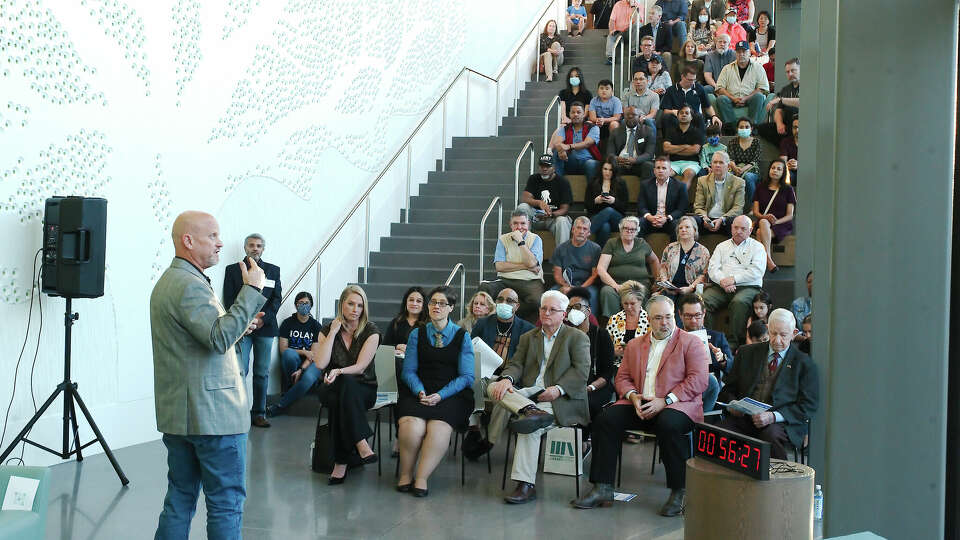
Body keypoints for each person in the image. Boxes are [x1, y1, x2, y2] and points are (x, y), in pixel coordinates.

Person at [151, 211, 266, 538]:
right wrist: (252, 291)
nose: (220, 243)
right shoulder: (189, 286)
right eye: (213, 236)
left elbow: (202, 339)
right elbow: (217, 339)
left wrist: (239, 324)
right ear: (188, 240)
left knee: (180, 499)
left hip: (182, 416)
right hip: (212, 418)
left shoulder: (172, 282)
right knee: (226, 502)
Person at [572, 295, 708, 515]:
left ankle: (679, 491)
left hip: (678, 405)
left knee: (669, 424)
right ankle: (602, 487)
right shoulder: (635, 344)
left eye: (668, 317)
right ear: (648, 319)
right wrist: (633, 397)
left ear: (674, 317)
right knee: (606, 420)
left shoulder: (691, 342)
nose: (664, 322)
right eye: (658, 318)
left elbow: (699, 379)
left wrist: (665, 400)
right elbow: (622, 378)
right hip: (640, 402)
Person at [487, 291, 591, 504]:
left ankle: (525, 485)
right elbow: (516, 364)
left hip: (561, 398)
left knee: (530, 428)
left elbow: (581, 372)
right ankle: (529, 410)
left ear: (563, 314)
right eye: (544, 308)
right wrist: (507, 379)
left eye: (553, 310)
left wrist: (558, 389)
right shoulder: (528, 337)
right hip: (531, 394)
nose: (547, 313)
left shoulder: (577, 337)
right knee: (493, 387)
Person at [396, 286, 475, 497]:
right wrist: (420, 391)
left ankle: (421, 478)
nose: (436, 307)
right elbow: (409, 371)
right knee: (411, 426)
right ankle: (405, 473)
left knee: (439, 427)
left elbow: (467, 377)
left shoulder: (462, 336)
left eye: (442, 303)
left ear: (451, 308)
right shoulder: (417, 334)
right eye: (432, 302)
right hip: (420, 390)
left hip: (451, 394)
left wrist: (441, 395)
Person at [718, 308, 819, 459]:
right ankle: (726, 479)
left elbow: (808, 405)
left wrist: (773, 416)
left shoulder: (804, 363)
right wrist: (733, 404)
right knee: (718, 433)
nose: (777, 340)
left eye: (783, 335)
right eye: (773, 333)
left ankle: (777, 481)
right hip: (745, 417)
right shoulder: (746, 353)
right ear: (767, 329)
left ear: (794, 333)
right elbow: (727, 390)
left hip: (781, 422)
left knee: (769, 436)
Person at [313, 285, 381, 484]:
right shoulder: (327, 330)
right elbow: (320, 363)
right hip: (330, 386)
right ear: (342, 304)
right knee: (340, 391)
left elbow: (360, 367)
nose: (355, 309)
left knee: (343, 391)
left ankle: (340, 464)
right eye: (351, 304)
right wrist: (333, 332)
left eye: (360, 305)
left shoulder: (371, 331)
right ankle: (360, 442)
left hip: (364, 388)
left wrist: (339, 371)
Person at [461, 288, 537, 461]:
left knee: (505, 394)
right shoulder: (483, 324)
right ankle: (475, 428)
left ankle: (488, 441)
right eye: (500, 299)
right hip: (482, 377)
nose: (504, 303)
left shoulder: (527, 329)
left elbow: (526, 364)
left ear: (517, 306)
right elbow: (470, 352)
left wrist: (507, 379)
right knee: (472, 380)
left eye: (509, 300)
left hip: (511, 380)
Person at [222, 233, 281, 428]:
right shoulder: (232, 270)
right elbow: (229, 299)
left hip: (265, 327)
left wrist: (264, 319)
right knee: (241, 370)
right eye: (251, 245)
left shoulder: (273, 270)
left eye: (258, 246)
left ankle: (259, 413)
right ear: (245, 248)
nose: (255, 248)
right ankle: (239, 412)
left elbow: (276, 299)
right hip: (242, 328)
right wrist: (246, 320)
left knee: (262, 372)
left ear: (263, 249)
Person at [701, 215, 766, 349]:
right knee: (703, 300)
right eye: (736, 227)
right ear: (731, 228)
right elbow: (713, 268)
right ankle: (705, 339)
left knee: (739, 302)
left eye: (743, 228)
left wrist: (733, 279)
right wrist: (723, 281)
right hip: (721, 286)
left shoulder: (758, 247)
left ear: (750, 230)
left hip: (748, 287)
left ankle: (733, 344)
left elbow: (757, 271)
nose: (738, 231)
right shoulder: (721, 246)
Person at [565, 287, 615, 440]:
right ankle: (570, 442)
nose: (573, 311)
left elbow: (607, 373)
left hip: (597, 386)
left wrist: (590, 387)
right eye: (569, 308)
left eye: (578, 307)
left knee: (586, 402)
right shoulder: (565, 335)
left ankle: (583, 440)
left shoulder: (601, 335)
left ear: (588, 310)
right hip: (572, 384)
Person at [266, 292, 325, 416]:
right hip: (293, 362)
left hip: (311, 364)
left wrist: (302, 370)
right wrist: (303, 351)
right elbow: (283, 349)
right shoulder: (288, 323)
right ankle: (295, 385)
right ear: (295, 305)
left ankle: (280, 405)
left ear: (311, 305)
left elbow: (313, 355)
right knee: (289, 354)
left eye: (307, 303)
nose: (304, 306)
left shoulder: (316, 326)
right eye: (300, 303)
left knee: (308, 377)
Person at [482, 210, 545, 322]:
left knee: (537, 301)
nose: (519, 227)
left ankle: (511, 317)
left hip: (530, 281)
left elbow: (532, 263)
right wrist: (526, 266)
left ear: (528, 224)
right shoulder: (503, 239)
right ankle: (487, 324)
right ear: (510, 225)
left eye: (523, 223)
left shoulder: (536, 239)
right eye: (515, 223)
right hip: (506, 280)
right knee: (484, 289)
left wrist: (520, 241)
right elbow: (499, 266)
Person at [597, 216, 661, 318]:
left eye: (632, 229)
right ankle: (614, 324)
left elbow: (654, 260)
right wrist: (616, 286)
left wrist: (657, 281)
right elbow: (601, 269)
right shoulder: (612, 243)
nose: (629, 231)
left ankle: (640, 325)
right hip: (616, 284)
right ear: (620, 229)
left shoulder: (642, 243)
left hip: (639, 284)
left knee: (641, 291)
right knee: (607, 291)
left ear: (637, 231)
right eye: (626, 228)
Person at [517, 154, 574, 246]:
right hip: (536, 217)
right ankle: (522, 247)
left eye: (548, 166)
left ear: (554, 168)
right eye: (542, 166)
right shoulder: (533, 178)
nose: (544, 169)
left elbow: (565, 209)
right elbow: (525, 198)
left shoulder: (562, 182)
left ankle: (561, 257)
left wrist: (551, 214)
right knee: (522, 207)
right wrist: (539, 202)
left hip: (553, 219)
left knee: (563, 221)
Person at [551, 216, 602, 314]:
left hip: (587, 285)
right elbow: (557, 274)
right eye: (578, 228)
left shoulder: (595, 249)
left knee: (592, 295)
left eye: (585, 229)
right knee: (551, 294)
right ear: (573, 230)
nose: (581, 231)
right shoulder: (560, 248)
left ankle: (591, 325)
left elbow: (594, 275)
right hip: (565, 283)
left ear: (589, 233)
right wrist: (566, 286)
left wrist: (579, 289)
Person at [752, 159, 796, 273]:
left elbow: (790, 215)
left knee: (759, 233)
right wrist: (765, 217)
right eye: (773, 168)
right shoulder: (761, 187)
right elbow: (756, 212)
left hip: (781, 223)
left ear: (783, 172)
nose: (775, 171)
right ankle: (769, 260)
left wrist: (775, 222)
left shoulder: (788, 189)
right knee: (763, 222)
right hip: (763, 220)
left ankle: (765, 260)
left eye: (779, 169)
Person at [714, 40, 769, 125]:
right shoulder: (727, 68)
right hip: (731, 99)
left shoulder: (758, 67)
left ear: (749, 53)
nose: (741, 54)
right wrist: (733, 98)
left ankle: (752, 127)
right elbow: (719, 88)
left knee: (759, 96)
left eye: (744, 51)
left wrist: (746, 98)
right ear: (735, 53)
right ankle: (731, 128)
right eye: (738, 52)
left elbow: (762, 88)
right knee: (721, 99)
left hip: (750, 98)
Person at [678, 292, 733, 374]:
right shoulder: (674, 338)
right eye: (688, 316)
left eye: (697, 315)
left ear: (704, 313)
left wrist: (722, 359)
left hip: (709, 382)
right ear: (680, 315)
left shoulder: (717, 337)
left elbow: (731, 368)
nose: (693, 320)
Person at [693, 151, 745, 235]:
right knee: (691, 221)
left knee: (734, 222)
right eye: (715, 162)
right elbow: (698, 206)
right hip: (707, 219)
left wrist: (722, 219)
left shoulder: (739, 182)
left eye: (721, 162)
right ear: (711, 165)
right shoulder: (702, 181)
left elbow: (738, 208)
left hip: (726, 219)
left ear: (728, 166)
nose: (717, 165)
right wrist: (705, 218)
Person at [657, 216, 710, 297]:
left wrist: (691, 288)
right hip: (670, 288)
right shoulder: (670, 247)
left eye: (687, 227)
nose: (683, 230)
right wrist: (665, 282)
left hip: (691, 290)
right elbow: (663, 268)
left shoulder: (703, 251)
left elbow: (703, 275)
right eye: (680, 228)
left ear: (694, 230)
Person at [638, 156, 689, 239]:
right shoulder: (645, 185)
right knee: (638, 223)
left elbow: (682, 209)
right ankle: (640, 251)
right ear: (654, 171)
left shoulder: (680, 186)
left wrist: (667, 218)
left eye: (664, 168)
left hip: (669, 220)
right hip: (651, 220)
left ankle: (674, 251)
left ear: (670, 171)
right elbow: (641, 206)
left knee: (677, 225)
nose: (660, 171)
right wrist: (649, 217)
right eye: (658, 168)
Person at [585, 157, 630, 248]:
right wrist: (596, 201)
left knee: (609, 210)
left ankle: (585, 234)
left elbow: (624, 207)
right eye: (605, 169)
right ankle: (600, 256)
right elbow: (587, 206)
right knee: (605, 227)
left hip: (617, 219)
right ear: (601, 169)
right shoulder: (593, 182)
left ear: (614, 171)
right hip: (597, 217)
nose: (607, 172)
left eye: (610, 170)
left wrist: (614, 201)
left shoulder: (621, 183)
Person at [549, 102, 602, 180]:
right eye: (573, 112)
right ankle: (557, 183)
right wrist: (561, 149)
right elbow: (557, 142)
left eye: (578, 112)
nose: (575, 114)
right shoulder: (564, 129)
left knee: (591, 164)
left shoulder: (593, 128)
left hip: (587, 161)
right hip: (571, 162)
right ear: (569, 114)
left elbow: (587, 143)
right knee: (557, 152)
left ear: (584, 114)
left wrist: (568, 146)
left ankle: (593, 191)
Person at [661, 65, 723, 132]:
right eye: (690, 80)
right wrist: (674, 112)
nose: (692, 82)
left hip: (694, 116)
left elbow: (707, 106)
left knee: (699, 117)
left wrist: (714, 116)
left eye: (694, 80)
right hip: (678, 116)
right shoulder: (671, 90)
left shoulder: (699, 88)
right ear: (682, 77)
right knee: (666, 118)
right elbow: (666, 110)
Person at [604, 280, 651, 363]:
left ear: (640, 301)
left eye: (632, 304)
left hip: (642, 366)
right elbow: (605, 349)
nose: (629, 307)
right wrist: (614, 352)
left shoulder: (650, 320)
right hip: (618, 366)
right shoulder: (614, 319)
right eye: (625, 303)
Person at [606, 106, 656, 179]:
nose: (630, 116)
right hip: (620, 163)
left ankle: (644, 190)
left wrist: (635, 160)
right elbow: (610, 153)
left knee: (648, 166)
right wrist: (617, 158)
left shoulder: (648, 131)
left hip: (638, 163)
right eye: (627, 114)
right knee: (610, 166)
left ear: (639, 117)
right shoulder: (615, 132)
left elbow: (649, 154)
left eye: (633, 115)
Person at [759, 58, 800, 146]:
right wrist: (779, 123)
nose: (790, 74)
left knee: (792, 110)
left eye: (793, 70)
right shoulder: (786, 89)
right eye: (787, 72)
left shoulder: (808, 85)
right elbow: (779, 110)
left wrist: (781, 99)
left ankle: (789, 147)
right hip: (787, 125)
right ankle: (786, 146)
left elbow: (803, 102)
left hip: (801, 124)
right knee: (762, 128)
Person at [662, 105, 704, 189]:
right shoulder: (671, 131)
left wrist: (674, 149)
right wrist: (685, 146)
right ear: (677, 116)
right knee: (663, 175)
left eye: (686, 113)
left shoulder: (697, 132)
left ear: (691, 117)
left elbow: (695, 150)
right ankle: (662, 200)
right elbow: (666, 148)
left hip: (691, 163)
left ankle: (680, 200)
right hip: (673, 162)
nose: (684, 115)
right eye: (681, 113)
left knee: (689, 174)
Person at [727, 116, 761, 212]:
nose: (744, 129)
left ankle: (751, 207)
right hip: (735, 168)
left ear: (751, 128)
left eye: (747, 127)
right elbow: (730, 158)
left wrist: (743, 169)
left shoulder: (756, 142)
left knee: (749, 177)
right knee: (727, 176)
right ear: (737, 129)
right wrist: (735, 168)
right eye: (741, 127)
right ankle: (728, 206)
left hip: (752, 169)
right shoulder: (732, 142)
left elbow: (755, 161)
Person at [621, 72, 660, 137]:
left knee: (649, 122)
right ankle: (624, 145)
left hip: (646, 119)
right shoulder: (627, 95)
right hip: (631, 118)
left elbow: (653, 114)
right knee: (623, 122)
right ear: (633, 82)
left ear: (647, 81)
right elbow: (625, 111)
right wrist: (634, 118)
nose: (638, 82)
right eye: (635, 79)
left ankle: (652, 145)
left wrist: (644, 118)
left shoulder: (654, 96)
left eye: (641, 79)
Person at [588, 79, 623, 148]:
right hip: (597, 123)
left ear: (612, 91)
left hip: (610, 123)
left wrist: (604, 120)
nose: (604, 91)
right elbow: (592, 117)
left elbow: (617, 117)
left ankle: (614, 148)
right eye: (601, 88)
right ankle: (591, 149)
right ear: (598, 90)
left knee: (614, 124)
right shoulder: (594, 100)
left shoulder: (616, 101)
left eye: (607, 89)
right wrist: (599, 121)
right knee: (588, 123)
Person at [638, 6, 673, 70]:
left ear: (659, 17)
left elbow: (669, 46)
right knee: (639, 55)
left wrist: (659, 52)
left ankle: (665, 77)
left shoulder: (666, 28)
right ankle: (640, 78)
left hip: (660, 52)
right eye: (649, 13)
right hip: (647, 52)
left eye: (653, 13)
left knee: (667, 55)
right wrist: (648, 51)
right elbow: (640, 45)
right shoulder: (643, 29)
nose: (650, 15)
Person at [605, 0, 634, 64]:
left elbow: (639, 22)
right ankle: (611, 57)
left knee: (636, 26)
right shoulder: (618, 4)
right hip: (619, 32)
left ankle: (633, 50)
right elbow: (612, 20)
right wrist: (612, 30)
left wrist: (633, 7)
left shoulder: (638, 5)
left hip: (630, 32)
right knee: (610, 36)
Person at [779, 116, 799, 185]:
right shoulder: (786, 141)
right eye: (795, 127)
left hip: (806, 171)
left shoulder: (811, 141)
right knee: (784, 174)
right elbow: (782, 160)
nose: (797, 130)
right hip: (790, 171)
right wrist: (787, 164)